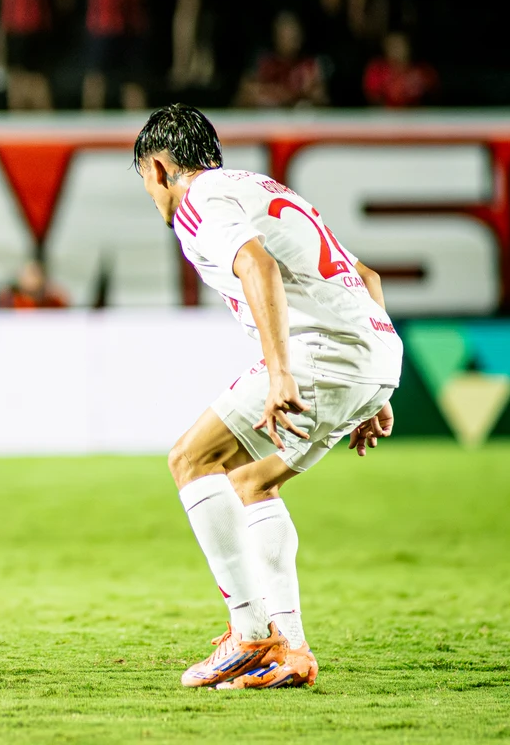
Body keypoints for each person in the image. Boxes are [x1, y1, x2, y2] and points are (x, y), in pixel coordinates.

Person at [133, 104, 402, 689]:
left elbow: (256, 264)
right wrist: (373, 389)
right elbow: (368, 277)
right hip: (372, 352)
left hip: (319, 354)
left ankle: (251, 632)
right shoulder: (259, 188)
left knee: (189, 458)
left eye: (144, 184)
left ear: (157, 169)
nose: (151, 196)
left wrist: (281, 372)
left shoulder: (197, 200)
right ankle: (294, 651)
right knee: (253, 482)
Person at [235, 10, 328, 109]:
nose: (291, 38)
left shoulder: (308, 66)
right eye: (285, 33)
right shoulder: (264, 63)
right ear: (276, 35)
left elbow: (321, 98)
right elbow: (246, 95)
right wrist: (292, 95)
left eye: (294, 33)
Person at [362, 30, 437, 108]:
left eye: (400, 44)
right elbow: (373, 99)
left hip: (418, 117)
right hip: (385, 117)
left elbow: (433, 97)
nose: (396, 49)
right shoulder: (377, 70)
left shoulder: (423, 70)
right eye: (392, 45)